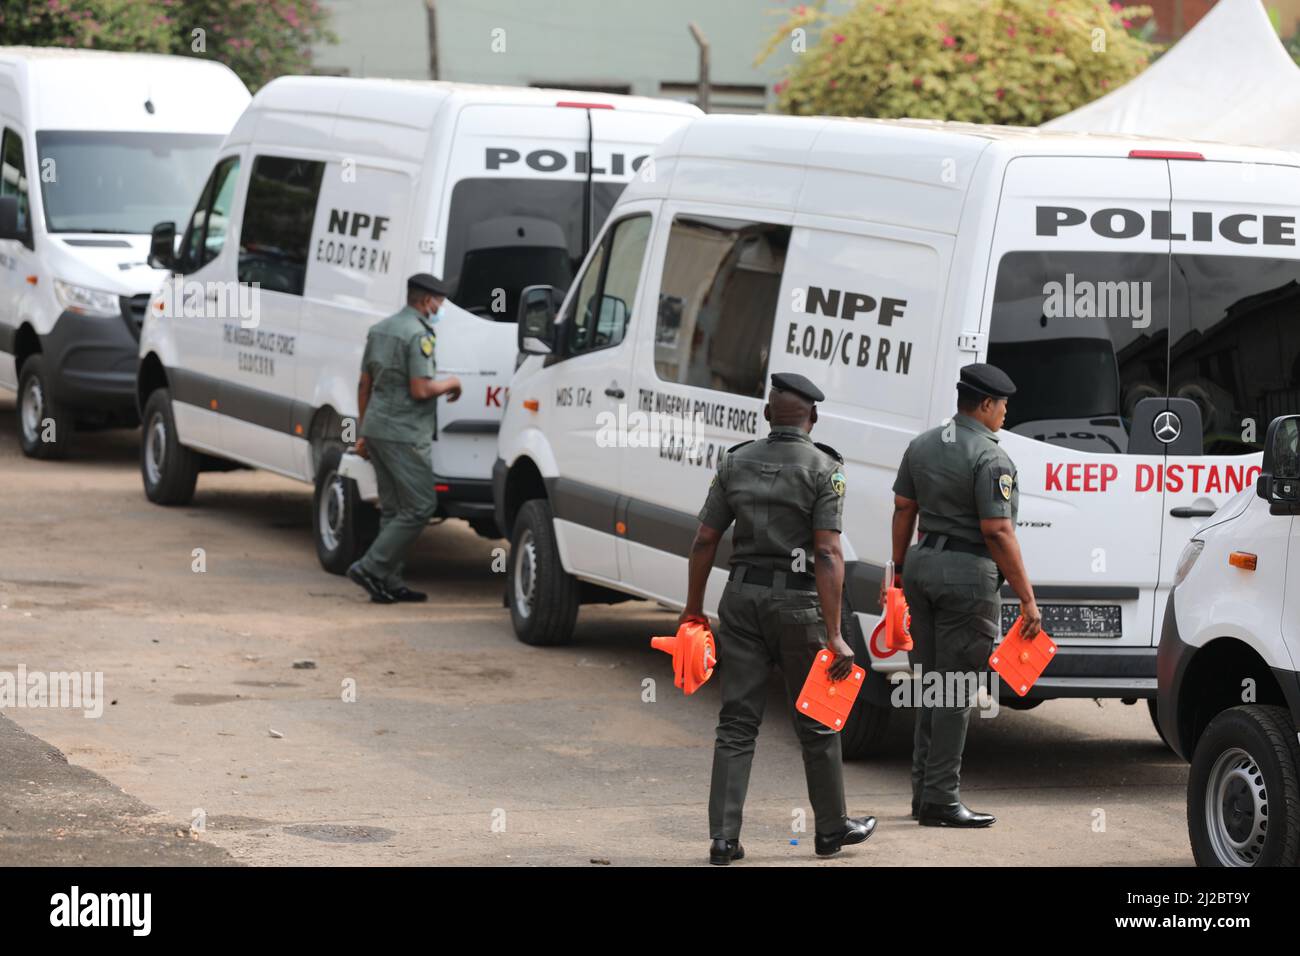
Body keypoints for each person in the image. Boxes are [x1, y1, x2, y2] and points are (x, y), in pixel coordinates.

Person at [683, 371, 877, 865]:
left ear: (768, 414)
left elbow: (705, 539)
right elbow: (829, 552)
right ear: (813, 417)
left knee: (736, 724)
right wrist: (835, 635)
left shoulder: (736, 461)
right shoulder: (825, 468)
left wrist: (692, 610)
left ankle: (724, 839)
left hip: (741, 600)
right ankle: (831, 829)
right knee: (816, 719)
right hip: (799, 609)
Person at [885, 362, 1041, 828]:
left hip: (922, 567)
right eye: (1003, 404)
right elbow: (997, 530)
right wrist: (1027, 597)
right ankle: (942, 800)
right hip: (966, 577)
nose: (1006, 412)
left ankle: (923, 792)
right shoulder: (991, 458)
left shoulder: (924, 444)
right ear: (986, 404)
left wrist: (897, 571)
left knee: (930, 683)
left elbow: (903, 508)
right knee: (954, 689)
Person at [348, 273, 462, 604]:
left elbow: (364, 385)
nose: (440, 307)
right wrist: (452, 383)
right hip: (405, 434)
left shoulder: (381, 329)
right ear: (426, 301)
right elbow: (421, 388)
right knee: (420, 506)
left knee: (393, 508)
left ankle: (389, 582)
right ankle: (371, 566)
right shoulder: (418, 334)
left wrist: (363, 431)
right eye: (439, 302)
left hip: (378, 429)